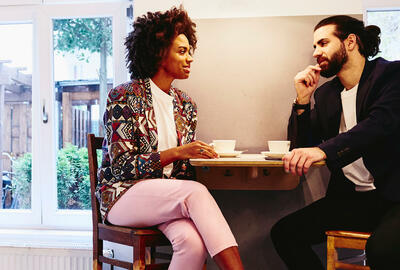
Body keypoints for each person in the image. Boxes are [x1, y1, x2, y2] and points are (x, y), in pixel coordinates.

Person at [96, 6, 244, 270]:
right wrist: (178, 152)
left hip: (164, 199)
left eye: (190, 51)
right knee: (195, 193)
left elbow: (182, 175)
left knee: (193, 243)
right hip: (121, 196)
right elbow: (121, 167)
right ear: (159, 52)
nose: (190, 59)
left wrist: (201, 158)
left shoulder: (186, 105)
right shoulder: (123, 96)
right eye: (182, 51)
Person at [270, 15, 400, 270]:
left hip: (394, 197)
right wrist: (303, 102)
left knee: (382, 251)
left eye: (323, 43)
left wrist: (323, 150)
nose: (317, 52)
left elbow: (377, 126)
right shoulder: (326, 94)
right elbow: (302, 147)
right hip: (352, 200)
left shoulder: (391, 75)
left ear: (350, 42)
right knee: (285, 233)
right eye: (315, 47)